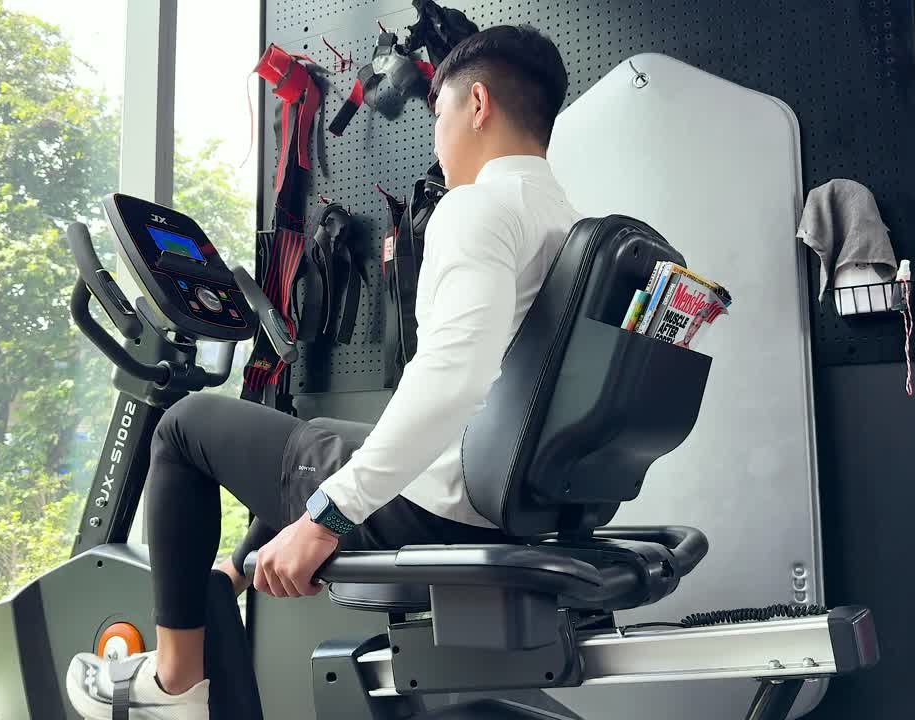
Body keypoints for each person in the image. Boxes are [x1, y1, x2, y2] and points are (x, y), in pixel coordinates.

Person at [66, 24, 579, 720]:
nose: (438, 139)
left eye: (439, 117)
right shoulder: (564, 217)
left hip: (442, 506)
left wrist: (327, 518)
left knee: (185, 429)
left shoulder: (477, 209)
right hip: (508, 501)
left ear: (478, 104)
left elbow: (453, 380)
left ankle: (174, 685)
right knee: (309, 435)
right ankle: (229, 573)